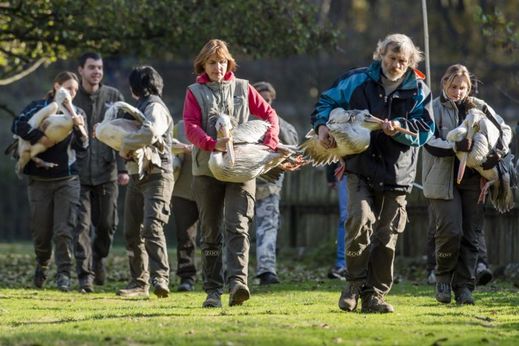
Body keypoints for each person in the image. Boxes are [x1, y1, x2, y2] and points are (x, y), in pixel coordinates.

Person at [311, 33, 434, 313]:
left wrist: (399, 128)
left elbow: (425, 130)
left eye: (403, 61)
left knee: (386, 236)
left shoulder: (419, 89)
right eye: (392, 58)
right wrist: (322, 127)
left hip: (397, 173)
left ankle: (374, 296)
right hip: (359, 167)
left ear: (410, 62)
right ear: (381, 54)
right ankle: (353, 285)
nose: (397, 65)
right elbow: (325, 103)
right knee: (358, 221)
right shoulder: (357, 80)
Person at [183, 39, 279, 308]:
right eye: (213, 62)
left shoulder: (243, 87)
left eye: (222, 61)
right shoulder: (194, 92)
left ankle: (238, 283)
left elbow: (269, 115)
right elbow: (190, 126)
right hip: (207, 168)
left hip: (241, 168)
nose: (218, 66)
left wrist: (269, 143)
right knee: (211, 231)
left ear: (229, 63)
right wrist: (212, 143)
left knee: (238, 225)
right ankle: (212, 290)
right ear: (203, 64)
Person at [422, 64, 511, 305]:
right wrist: (454, 147)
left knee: (472, 234)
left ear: (468, 88)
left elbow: (504, 129)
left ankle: (464, 287)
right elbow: (427, 141)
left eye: (462, 87)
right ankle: (442, 277)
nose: (458, 91)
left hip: (474, 179)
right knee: (451, 231)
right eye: (453, 86)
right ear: (444, 84)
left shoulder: (480, 107)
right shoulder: (432, 108)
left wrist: (499, 152)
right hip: (442, 179)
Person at [11, 71, 89, 291]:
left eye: (75, 89)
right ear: (56, 87)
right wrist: (41, 139)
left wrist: (79, 128)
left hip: (67, 179)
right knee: (41, 232)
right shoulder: (38, 107)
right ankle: (43, 263)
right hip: (39, 180)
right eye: (68, 88)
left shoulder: (79, 113)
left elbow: (83, 147)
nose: (73, 93)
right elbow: (17, 125)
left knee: (64, 230)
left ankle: (64, 274)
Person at [115, 66, 175, 298]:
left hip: (158, 175)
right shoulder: (140, 107)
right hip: (136, 175)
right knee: (131, 231)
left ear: (133, 88)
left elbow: (150, 133)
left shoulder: (155, 107)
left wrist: (125, 144)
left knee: (152, 226)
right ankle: (139, 283)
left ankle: (160, 278)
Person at [74, 52, 128, 293]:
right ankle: (85, 275)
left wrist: (123, 167)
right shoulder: (72, 97)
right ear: (81, 70)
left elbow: (124, 133)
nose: (96, 71)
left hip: (107, 173)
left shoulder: (114, 97)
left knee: (106, 225)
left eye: (99, 68)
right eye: (91, 67)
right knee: (81, 226)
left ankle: (98, 258)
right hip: (78, 174)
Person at [252, 81, 299, 285]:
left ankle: (266, 271)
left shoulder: (282, 125)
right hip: (244, 184)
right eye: (261, 99)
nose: (265, 103)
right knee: (238, 229)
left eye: (268, 100)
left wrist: (275, 123)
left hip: (270, 187)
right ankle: (233, 270)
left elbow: (294, 149)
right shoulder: (244, 124)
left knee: (268, 228)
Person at [171, 120, 199, 292]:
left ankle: (216, 275)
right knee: (185, 237)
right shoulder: (179, 127)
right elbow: (168, 149)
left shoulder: (216, 124)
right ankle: (187, 277)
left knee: (214, 237)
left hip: (211, 188)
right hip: (182, 190)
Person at [326, 163, 348, 280]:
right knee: (346, 218)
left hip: (371, 172)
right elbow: (332, 146)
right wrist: (330, 174)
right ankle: (342, 265)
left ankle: (368, 264)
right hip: (345, 171)